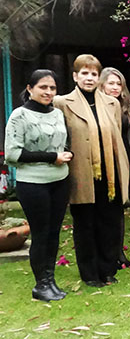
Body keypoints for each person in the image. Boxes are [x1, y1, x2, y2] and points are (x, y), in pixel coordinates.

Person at [53, 54, 130, 288]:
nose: (89, 78)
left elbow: (116, 136)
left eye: (94, 74)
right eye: (84, 73)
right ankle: (90, 273)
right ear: (75, 76)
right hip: (82, 173)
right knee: (85, 225)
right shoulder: (62, 103)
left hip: (109, 175)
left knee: (109, 223)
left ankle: (108, 269)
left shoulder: (111, 103)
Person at [4, 69, 72, 301]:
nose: (49, 92)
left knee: (54, 233)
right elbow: (13, 154)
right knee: (41, 233)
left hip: (60, 181)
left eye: (52, 88)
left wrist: (66, 153)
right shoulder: (19, 116)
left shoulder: (57, 114)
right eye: (43, 87)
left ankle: (50, 279)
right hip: (33, 184)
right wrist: (52, 157)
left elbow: (63, 142)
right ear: (30, 88)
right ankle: (40, 284)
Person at [98, 67, 130, 269]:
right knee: (103, 208)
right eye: (111, 83)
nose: (115, 87)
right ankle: (105, 253)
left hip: (124, 161)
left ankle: (119, 253)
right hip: (104, 161)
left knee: (119, 209)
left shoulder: (126, 106)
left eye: (118, 83)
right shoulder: (96, 105)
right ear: (102, 84)